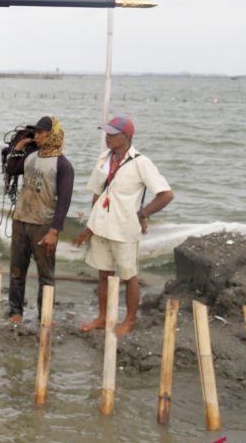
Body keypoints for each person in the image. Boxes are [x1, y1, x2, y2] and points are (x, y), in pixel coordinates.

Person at [73, 116, 174, 336]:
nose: (107, 137)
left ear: (126, 137)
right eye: (106, 133)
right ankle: (102, 317)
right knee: (103, 274)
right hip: (101, 227)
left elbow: (166, 194)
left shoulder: (140, 162)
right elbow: (97, 194)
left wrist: (143, 213)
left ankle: (129, 321)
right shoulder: (103, 158)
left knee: (129, 276)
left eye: (112, 134)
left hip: (125, 230)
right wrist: (90, 226)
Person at [2, 116, 74, 325]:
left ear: (53, 134)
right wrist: (18, 147)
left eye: (42, 132)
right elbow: (11, 169)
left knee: (46, 274)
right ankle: (16, 312)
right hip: (21, 220)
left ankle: (45, 315)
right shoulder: (31, 156)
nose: (38, 135)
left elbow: (64, 202)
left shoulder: (63, 165)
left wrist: (54, 231)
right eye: (37, 132)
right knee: (17, 270)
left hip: (43, 224)